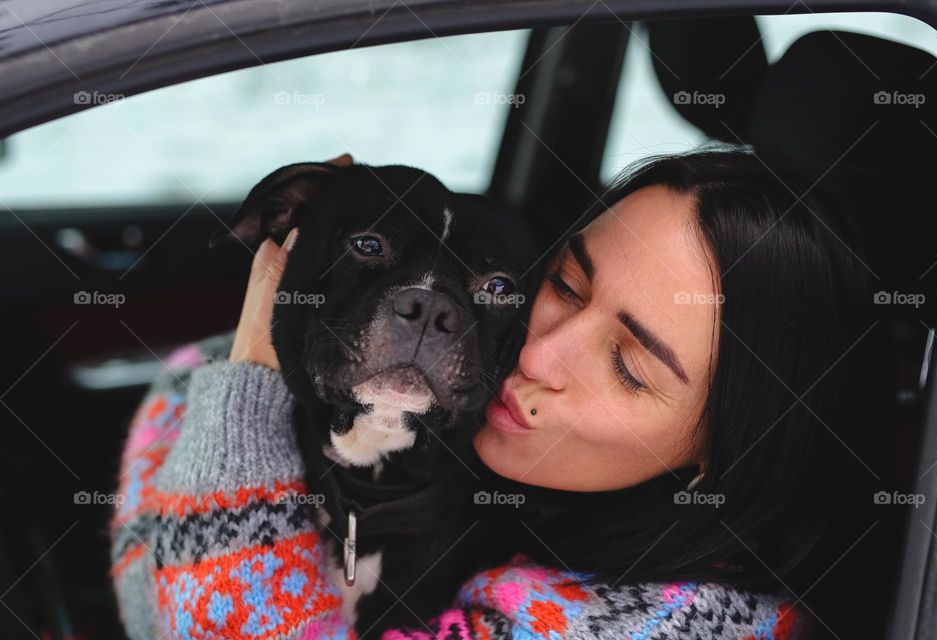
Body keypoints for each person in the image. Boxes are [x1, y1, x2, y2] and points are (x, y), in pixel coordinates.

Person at [110, 145, 878, 639]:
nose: (538, 354)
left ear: (725, 452)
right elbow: (150, 600)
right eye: (567, 286)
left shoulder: (674, 626)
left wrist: (245, 389)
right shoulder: (517, 469)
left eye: (629, 366)